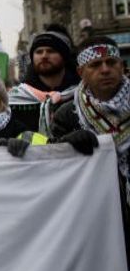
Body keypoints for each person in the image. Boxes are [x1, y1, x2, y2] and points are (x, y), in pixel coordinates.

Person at [51, 37, 128, 175]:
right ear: (81, 73)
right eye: (95, 65)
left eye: (111, 62)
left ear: (121, 66)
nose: (105, 70)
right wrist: (66, 144)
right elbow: (54, 164)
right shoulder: (67, 114)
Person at [11, 27, 82, 137]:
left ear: (64, 56)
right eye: (39, 52)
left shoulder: (82, 93)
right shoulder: (18, 98)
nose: (44, 56)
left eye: (51, 51)